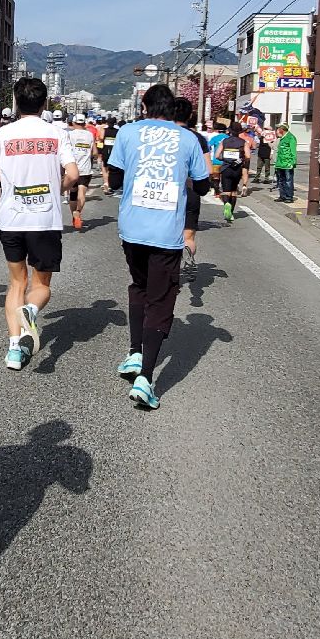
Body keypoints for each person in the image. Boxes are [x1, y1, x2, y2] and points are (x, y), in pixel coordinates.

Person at [108, 83, 210, 409]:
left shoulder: (127, 132)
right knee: (162, 300)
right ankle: (145, 380)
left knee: (139, 288)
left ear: (144, 106)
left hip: (132, 227)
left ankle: (134, 354)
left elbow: (113, 180)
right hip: (166, 233)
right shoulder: (188, 139)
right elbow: (204, 185)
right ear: (174, 109)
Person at [0, 76, 79, 371]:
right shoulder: (55, 133)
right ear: (44, 103)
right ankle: (31, 311)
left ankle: (13, 349)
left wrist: (7, 182)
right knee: (41, 285)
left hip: (11, 217)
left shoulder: (4, 134)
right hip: (45, 217)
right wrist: (55, 186)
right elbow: (72, 174)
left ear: (16, 103)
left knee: (16, 283)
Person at [173, 97, 210, 267]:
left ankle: (169, 268)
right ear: (189, 116)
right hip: (190, 190)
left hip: (164, 189)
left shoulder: (162, 134)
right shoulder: (198, 138)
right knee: (188, 236)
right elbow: (207, 169)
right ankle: (188, 256)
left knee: (164, 234)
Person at [67, 113, 95, 230]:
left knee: (73, 194)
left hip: (72, 168)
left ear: (73, 122)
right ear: (84, 123)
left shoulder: (69, 135)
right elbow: (94, 152)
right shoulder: (89, 135)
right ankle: (78, 212)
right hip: (85, 168)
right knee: (82, 193)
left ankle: (74, 214)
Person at [217, 121, 249, 224]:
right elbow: (248, 156)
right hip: (237, 169)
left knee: (226, 190)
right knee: (234, 191)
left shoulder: (224, 141)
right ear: (240, 131)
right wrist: (241, 159)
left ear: (230, 131)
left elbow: (217, 155)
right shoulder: (243, 142)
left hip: (226, 168)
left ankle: (226, 203)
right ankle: (230, 212)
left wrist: (225, 158)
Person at [274, 123, 297, 203]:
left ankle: (289, 197)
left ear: (281, 129)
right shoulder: (282, 138)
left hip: (287, 163)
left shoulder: (290, 137)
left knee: (288, 180)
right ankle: (282, 195)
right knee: (280, 180)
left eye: (278, 129)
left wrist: (293, 162)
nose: (277, 131)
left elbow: (293, 151)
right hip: (280, 163)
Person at [101, 117, 120, 194]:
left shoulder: (104, 130)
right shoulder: (117, 131)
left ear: (107, 123)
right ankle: (111, 184)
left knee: (104, 167)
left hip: (106, 150)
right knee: (111, 169)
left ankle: (106, 183)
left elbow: (101, 138)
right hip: (114, 151)